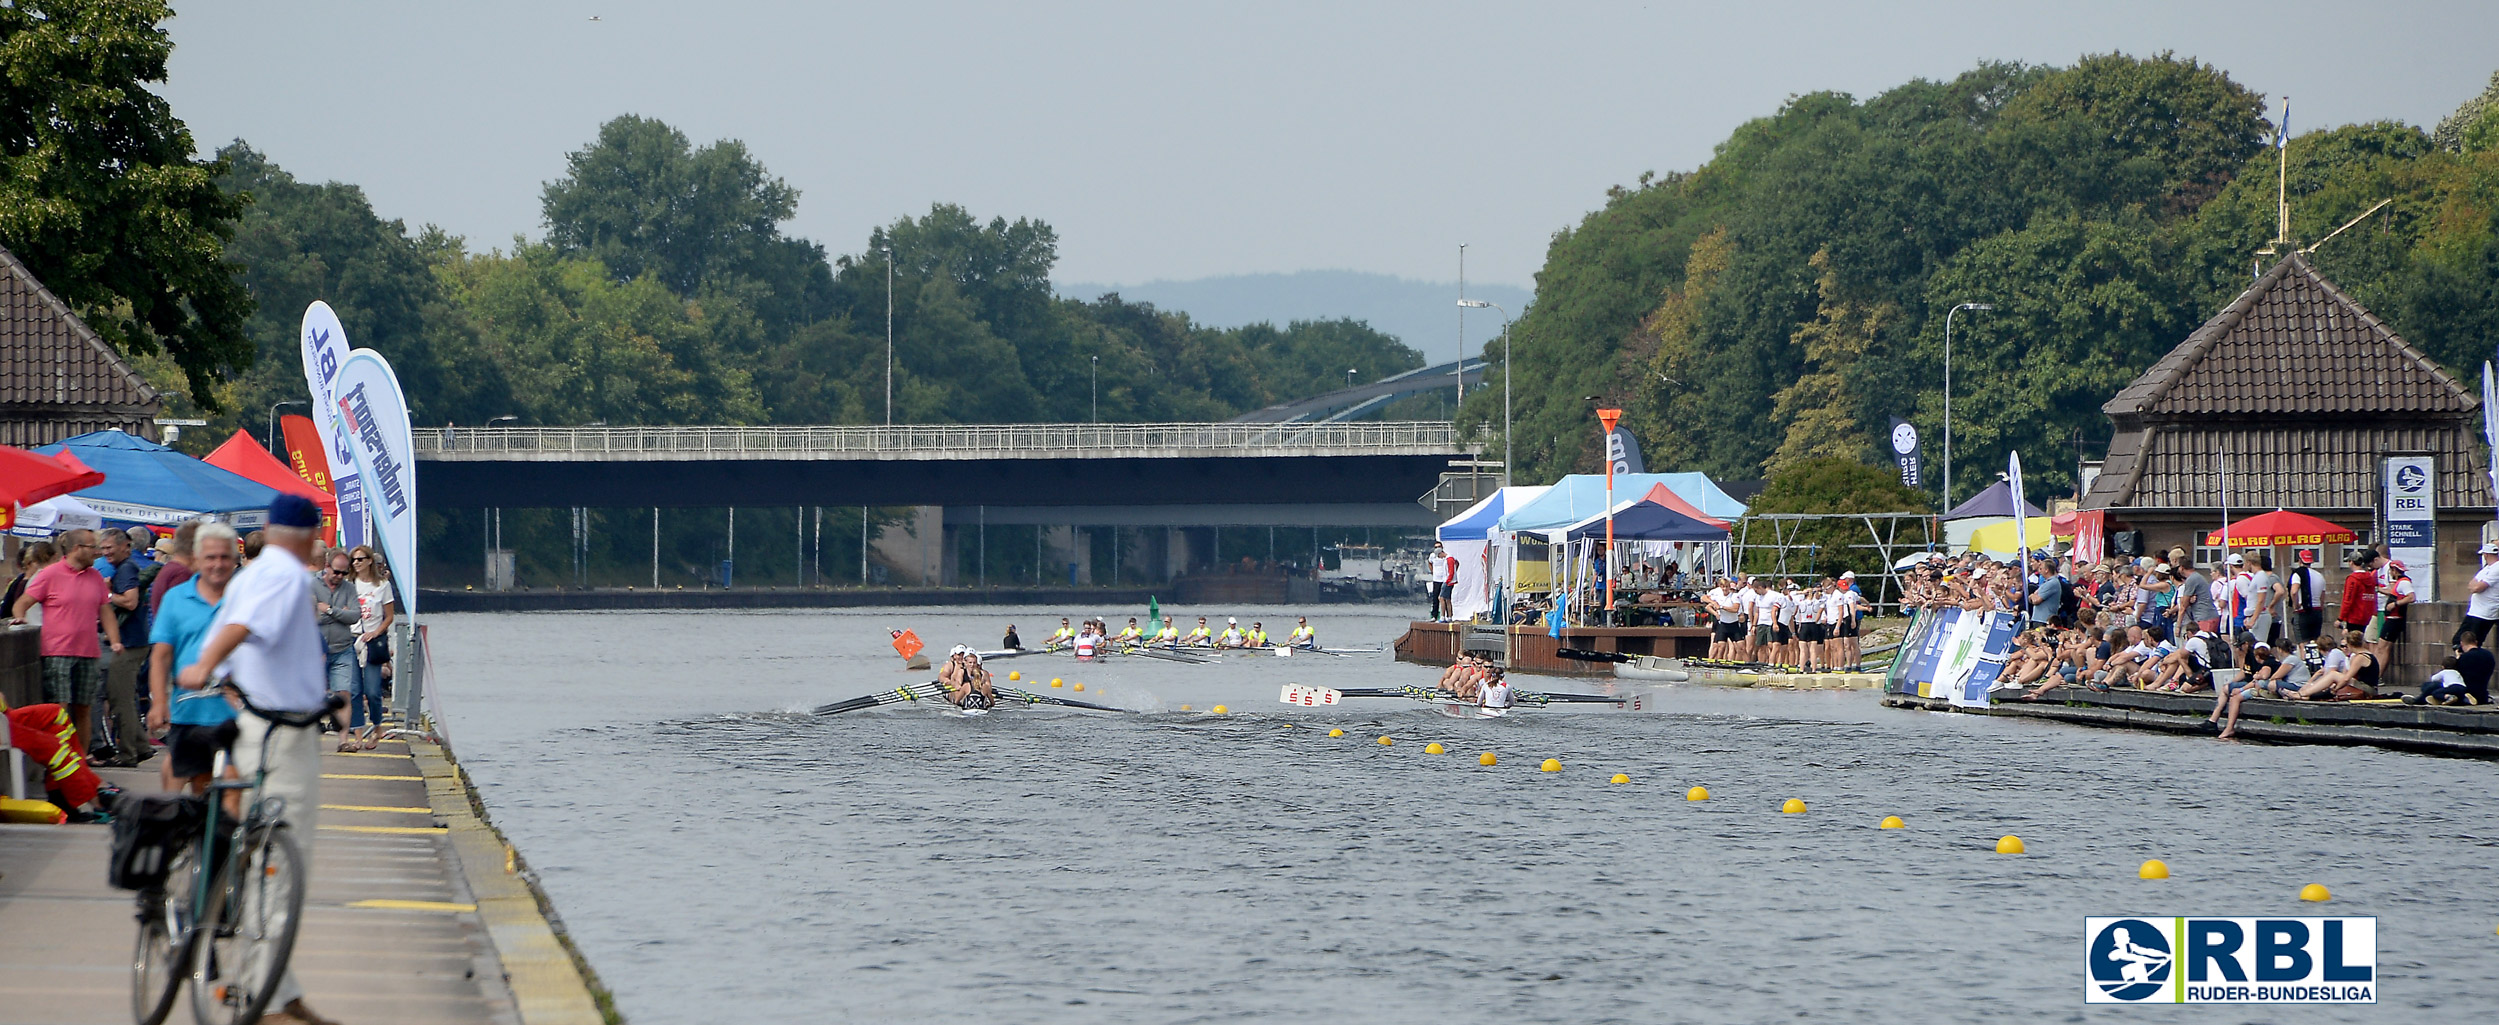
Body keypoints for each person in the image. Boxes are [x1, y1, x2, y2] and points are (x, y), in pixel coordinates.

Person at [174, 496, 339, 1025]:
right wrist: (205, 663)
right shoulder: (286, 576)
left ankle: (276, 988)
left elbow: (238, 628)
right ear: (312, 536)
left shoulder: (251, 573)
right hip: (282, 733)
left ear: (268, 528)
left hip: (252, 721)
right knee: (283, 864)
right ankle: (266, 999)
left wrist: (216, 670)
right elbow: (240, 628)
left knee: (255, 851)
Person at [151, 522, 242, 795]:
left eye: (225, 557)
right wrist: (158, 702)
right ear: (197, 559)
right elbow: (161, 656)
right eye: (210, 557)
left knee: (224, 791)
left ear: (235, 559)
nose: (217, 564)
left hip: (235, 716)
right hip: (188, 712)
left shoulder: (245, 598)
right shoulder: (176, 598)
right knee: (180, 791)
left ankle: (212, 835)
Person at [13, 528, 120, 759]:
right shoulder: (50, 574)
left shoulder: (95, 578)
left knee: (84, 708)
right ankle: (59, 760)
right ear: (76, 549)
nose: (98, 552)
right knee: (59, 709)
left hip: (88, 651)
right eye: (93, 547)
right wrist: (20, 616)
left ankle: (79, 760)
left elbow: (105, 611)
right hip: (57, 651)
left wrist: (115, 639)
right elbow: (23, 601)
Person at [98, 527, 156, 765]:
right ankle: (141, 747)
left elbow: (130, 602)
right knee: (126, 698)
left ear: (125, 546)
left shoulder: (126, 568)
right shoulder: (125, 568)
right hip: (136, 640)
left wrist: (107, 596)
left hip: (129, 643)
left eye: (109, 548)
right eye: (102, 549)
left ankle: (128, 754)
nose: (105, 553)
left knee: (120, 700)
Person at [314, 550, 363, 749]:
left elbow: (354, 616)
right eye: (336, 572)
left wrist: (329, 610)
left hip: (343, 648)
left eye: (344, 573)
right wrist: (340, 614)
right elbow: (308, 615)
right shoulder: (311, 585)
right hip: (316, 650)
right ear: (326, 567)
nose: (340, 577)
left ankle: (343, 741)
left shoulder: (349, 589)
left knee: (344, 694)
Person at [349, 546, 396, 744]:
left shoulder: (382, 585)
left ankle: (377, 725)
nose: (356, 563)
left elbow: (389, 616)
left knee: (373, 691)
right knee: (354, 690)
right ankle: (358, 735)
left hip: (373, 640)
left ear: (369, 561)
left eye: (360, 559)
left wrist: (376, 632)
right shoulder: (349, 584)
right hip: (351, 638)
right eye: (354, 560)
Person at [2460, 543, 2499, 648]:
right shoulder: (2486, 568)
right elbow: (2471, 584)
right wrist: (2475, 587)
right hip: (2475, 611)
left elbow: (2477, 587)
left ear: (2486, 555)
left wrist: (2475, 587)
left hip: (2486, 612)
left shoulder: (2497, 568)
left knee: (2473, 642)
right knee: (2459, 639)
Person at [1426, 542, 1449, 621]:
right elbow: (1429, 563)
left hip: (1444, 579)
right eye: (1436, 547)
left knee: (1445, 598)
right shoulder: (1432, 556)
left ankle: (1446, 615)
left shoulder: (1445, 556)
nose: (1437, 548)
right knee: (1435, 598)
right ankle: (1434, 615)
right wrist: (1432, 571)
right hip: (1436, 579)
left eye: (1439, 547)